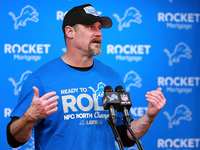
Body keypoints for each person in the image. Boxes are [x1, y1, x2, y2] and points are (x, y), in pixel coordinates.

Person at [7, 4, 166, 150]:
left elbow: (126, 137)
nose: (98, 33)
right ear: (70, 32)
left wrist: (149, 116)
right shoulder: (40, 79)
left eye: (99, 28)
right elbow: (14, 139)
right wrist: (29, 117)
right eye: (91, 27)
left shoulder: (112, 77)